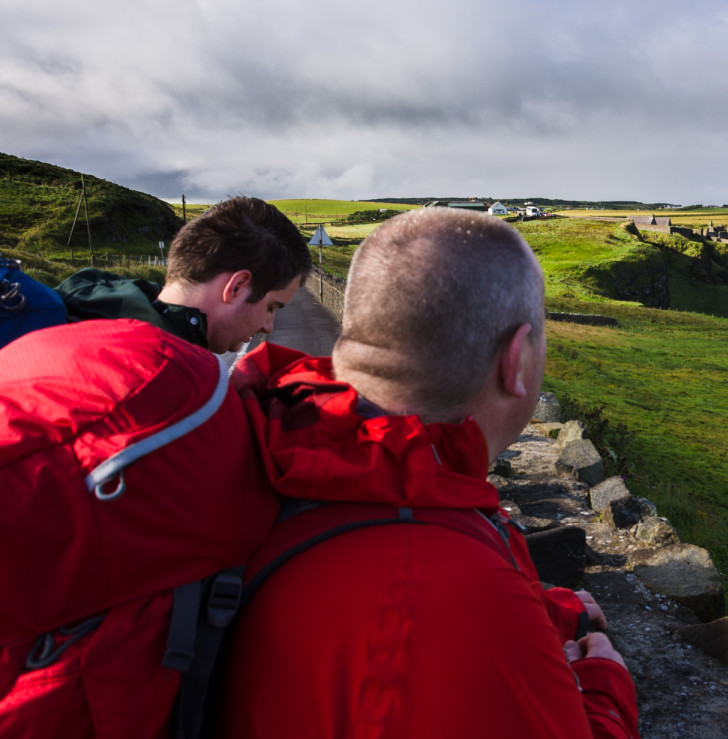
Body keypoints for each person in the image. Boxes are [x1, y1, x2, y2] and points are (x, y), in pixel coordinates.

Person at [217, 208, 639, 738]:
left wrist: (539, 609)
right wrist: (605, 683)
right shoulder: (459, 606)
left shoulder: (285, 444)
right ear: (515, 361)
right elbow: (421, 610)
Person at [53, 195, 310, 352]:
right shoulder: (178, 381)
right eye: (271, 307)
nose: (268, 326)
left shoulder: (79, 315)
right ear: (237, 287)